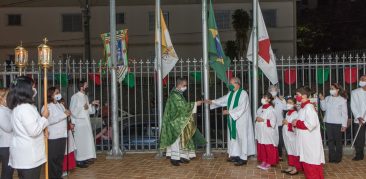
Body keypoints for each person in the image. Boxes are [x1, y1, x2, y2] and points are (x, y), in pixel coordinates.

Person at [206, 77, 256, 166]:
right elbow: (222, 100)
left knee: (242, 138)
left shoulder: (243, 93)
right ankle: (235, 155)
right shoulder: (231, 93)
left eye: (231, 83)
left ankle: (243, 158)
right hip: (233, 119)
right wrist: (212, 102)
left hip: (241, 121)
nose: (229, 85)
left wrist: (229, 112)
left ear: (237, 84)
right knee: (234, 138)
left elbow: (242, 107)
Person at [7, 76, 49, 179]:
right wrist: (44, 117)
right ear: (26, 89)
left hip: (23, 154)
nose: (34, 89)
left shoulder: (18, 106)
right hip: (29, 156)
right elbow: (34, 131)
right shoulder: (25, 108)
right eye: (33, 86)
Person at [159, 78, 206, 166]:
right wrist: (195, 104)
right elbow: (182, 107)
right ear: (179, 85)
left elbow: (182, 107)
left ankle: (180, 157)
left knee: (181, 139)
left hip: (178, 120)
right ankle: (174, 158)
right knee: (175, 140)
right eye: (184, 85)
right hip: (174, 121)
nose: (186, 87)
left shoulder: (178, 94)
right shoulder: (174, 95)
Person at [292, 86, 325, 179]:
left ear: (304, 95)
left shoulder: (309, 108)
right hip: (305, 141)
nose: (296, 97)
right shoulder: (303, 108)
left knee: (311, 165)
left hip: (310, 142)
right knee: (307, 165)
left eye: (297, 95)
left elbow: (311, 124)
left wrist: (297, 123)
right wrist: (296, 122)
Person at [41, 87, 71, 178]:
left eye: (59, 92)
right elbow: (49, 120)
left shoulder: (60, 105)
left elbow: (64, 116)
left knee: (59, 158)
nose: (59, 94)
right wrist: (64, 115)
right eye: (56, 93)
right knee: (52, 159)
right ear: (51, 95)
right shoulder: (46, 106)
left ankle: (58, 176)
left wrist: (68, 115)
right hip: (53, 137)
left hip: (62, 135)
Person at [70, 80, 99, 168]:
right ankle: (79, 160)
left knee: (86, 142)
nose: (87, 86)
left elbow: (88, 110)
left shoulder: (85, 96)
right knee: (80, 142)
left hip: (86, 123)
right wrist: (85, 106)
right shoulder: (75, 97)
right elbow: (72, 111)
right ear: (81, 86)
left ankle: (85, 158)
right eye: (86, 85)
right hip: (79, 124)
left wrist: (93, 106)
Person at [319, 83, 348, 163]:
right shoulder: (328, 98)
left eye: (333, 88)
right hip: (328, 122)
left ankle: (338, 158)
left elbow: (344, 113)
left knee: (338, 141)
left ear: (337, 90)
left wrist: (344, 125)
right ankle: (331, 158)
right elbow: (323, 108)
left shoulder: (342, 100)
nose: (331, 90)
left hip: (338, 123)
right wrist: (322, 99)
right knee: (330, 140)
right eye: (331, 88)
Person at [255, 92, 279, 170]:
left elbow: (273, 122)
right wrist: (257, 118)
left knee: (268, 147)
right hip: (261, 132)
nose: (263, 99)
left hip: (268, 132)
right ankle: (264, 161)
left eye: (265, 97)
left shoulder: (271, 109)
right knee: (262, 146)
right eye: (263, 97)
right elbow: (257, 115)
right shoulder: (260, 108)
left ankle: (269, 162)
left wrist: (263, 120)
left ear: (269, 99)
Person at [282, 97, 301, 175]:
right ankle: (291, 165)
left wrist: (287, 124)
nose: (288, 104)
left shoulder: (296, 114)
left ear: (294, 104)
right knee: (289, 151)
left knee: (294, 151)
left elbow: (295, 126)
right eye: (287, 102)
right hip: (287, 135)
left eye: (290, 103)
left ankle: (296, 167)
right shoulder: (287, 113)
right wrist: (284, 122)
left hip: (292, 136)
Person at [58, 98, 77, 176]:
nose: (62, 104)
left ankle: (67, 168)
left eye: (63, 102)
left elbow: (69, 120)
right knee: (63, 152)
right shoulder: (58, 111)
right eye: (61, 103)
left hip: (68, 132)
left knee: (69, 150)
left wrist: (71, 125)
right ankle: (62, 169)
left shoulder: (66, 110)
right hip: (61, 133)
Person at [268, 85, 286, 160]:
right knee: (272, 139)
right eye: (271, 90)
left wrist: (283, 101)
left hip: (279, 123)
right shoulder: (268, 100)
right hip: (271, 123)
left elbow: (285, 108)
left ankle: (279, 155)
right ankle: (272, 154)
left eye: (274, 90)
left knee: (280, 140)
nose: (273, 91)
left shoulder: (280, 100)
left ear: (277, 91)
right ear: (269, 91)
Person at [350, 75, 366, 161]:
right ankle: (359, 154)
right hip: (360, 118)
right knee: (359, 138)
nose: (361, 80)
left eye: (363, 79)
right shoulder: (355, 92)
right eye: (361, 79)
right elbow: (353, 105)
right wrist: (358, 116)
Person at [0, 88, 14, 179]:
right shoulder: (1, 111)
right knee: (7, 171)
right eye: (7, 96)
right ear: (1, 98)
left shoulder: (7, 109)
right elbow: (8, 128)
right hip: (5, 145)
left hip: (10, 144)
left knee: (9, 170)